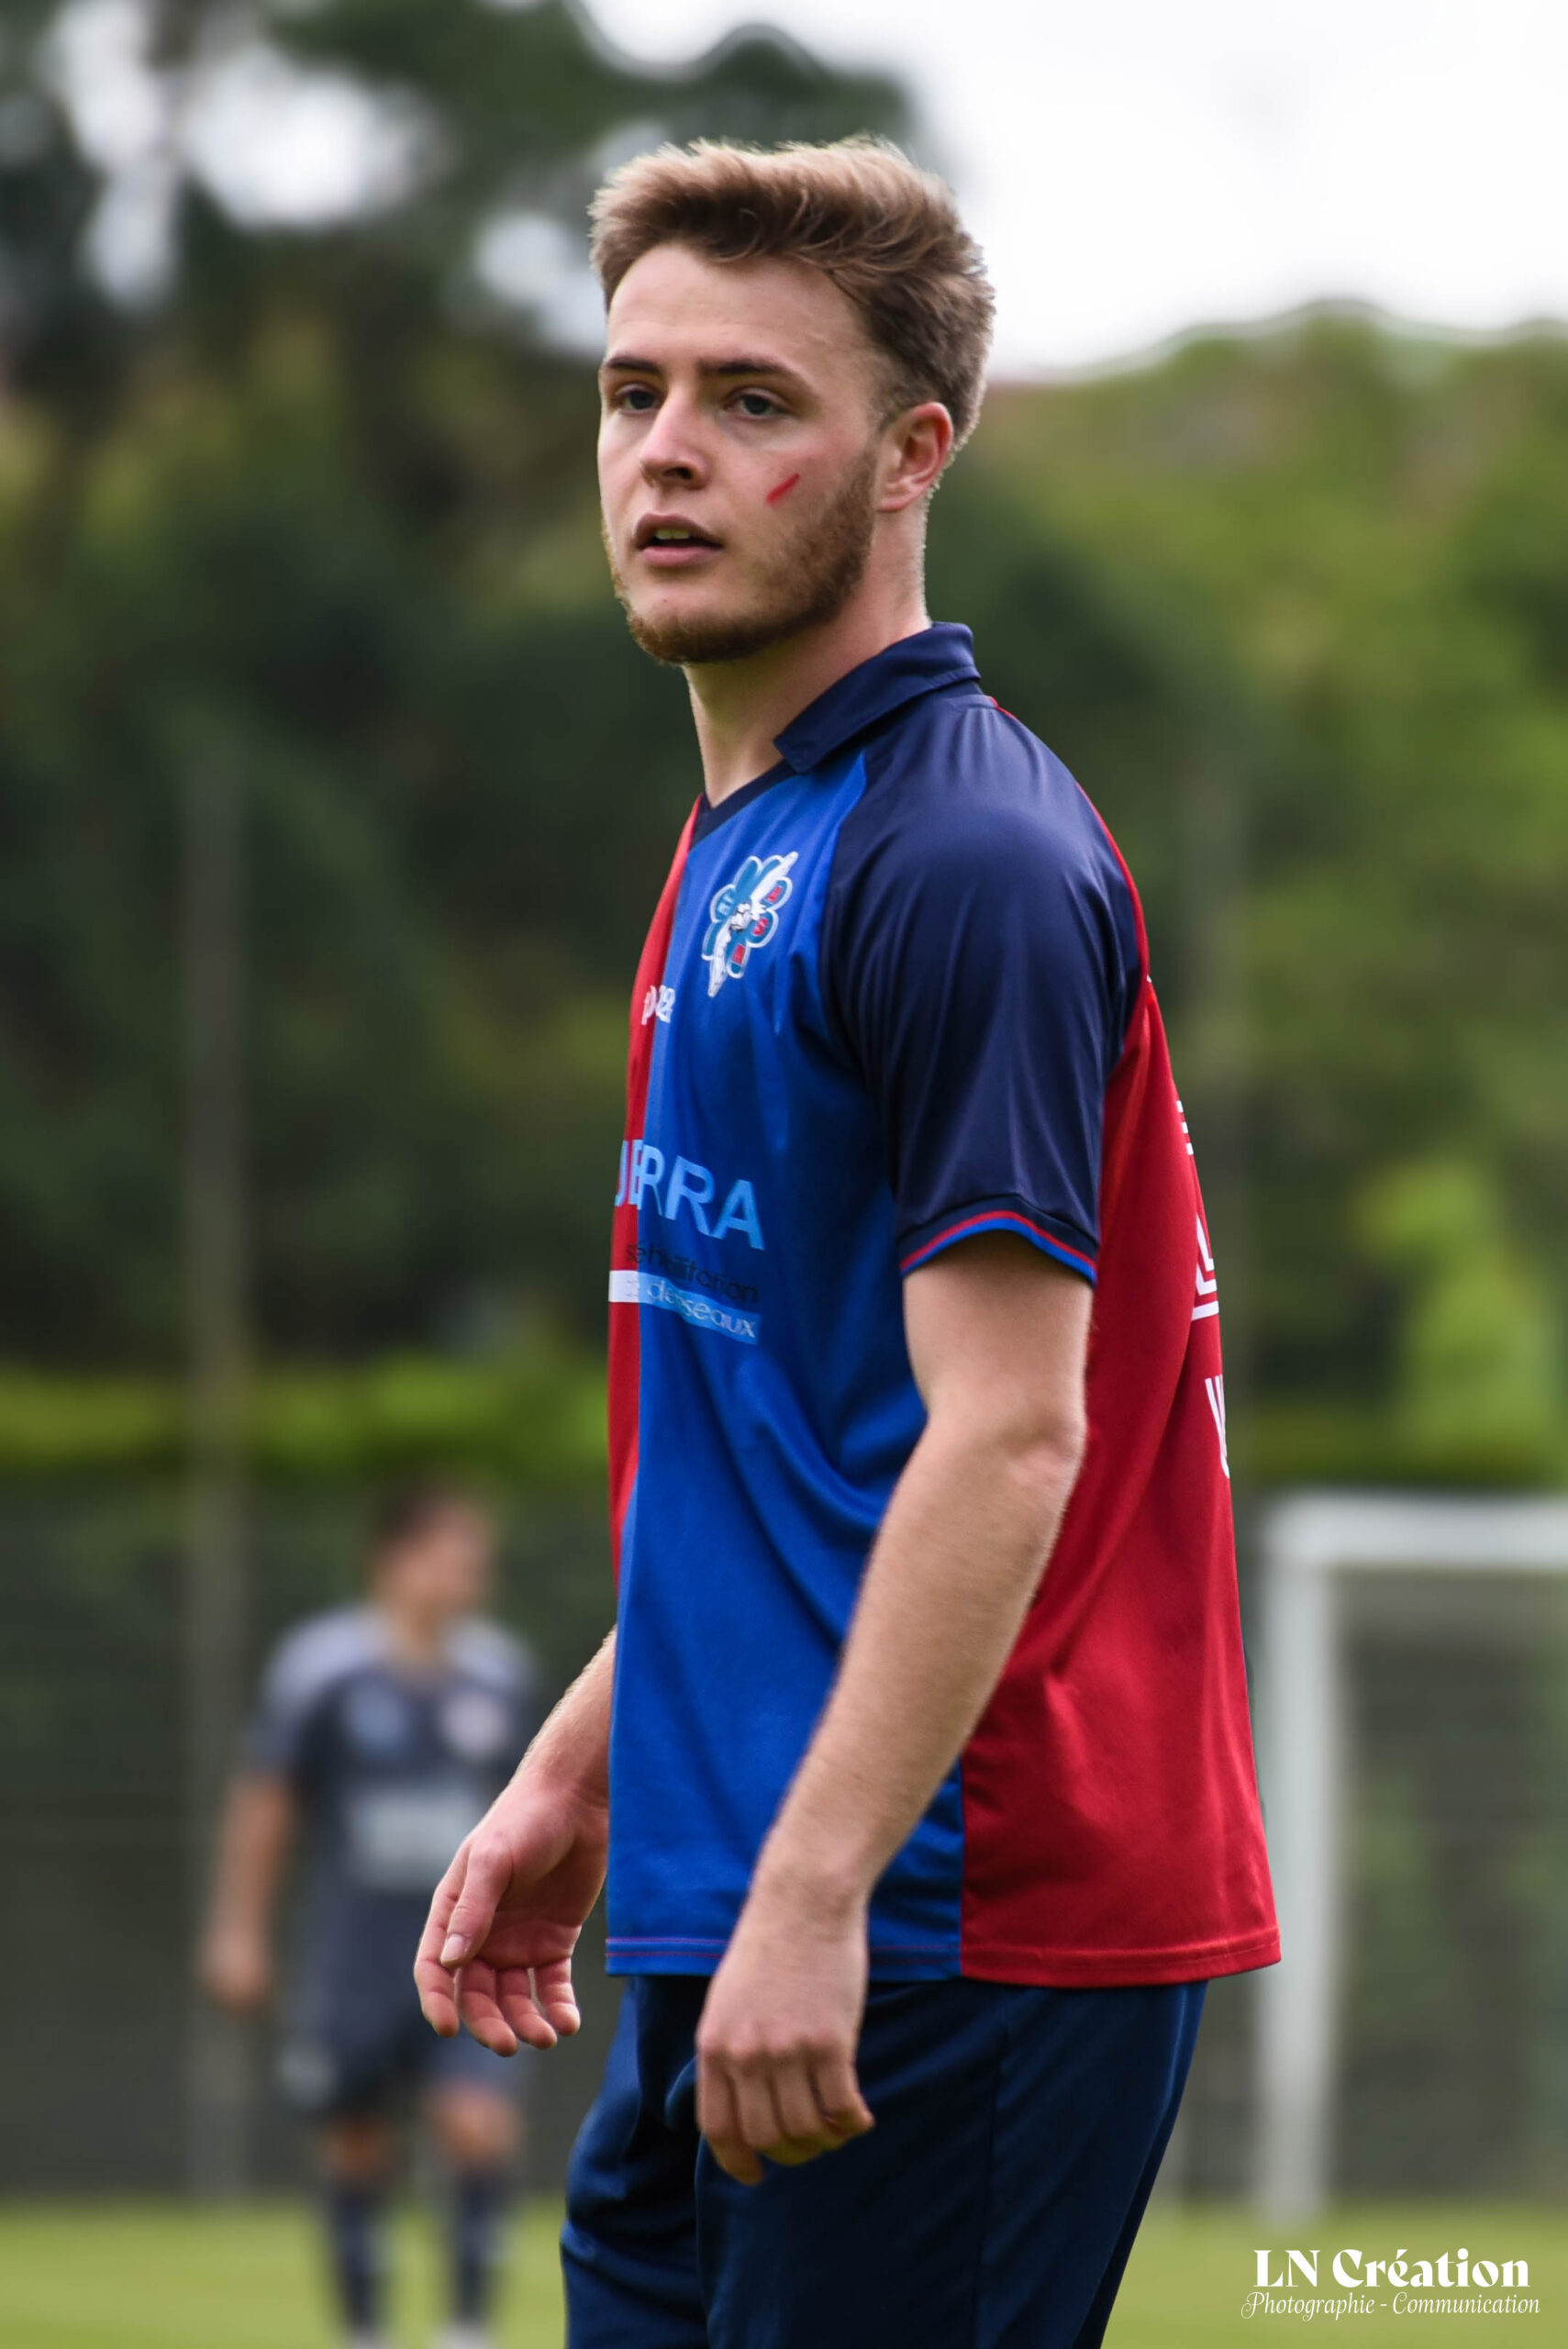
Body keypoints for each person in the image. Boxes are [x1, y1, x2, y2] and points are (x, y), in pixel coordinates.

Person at [414, 139, 1280, 2349]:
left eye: (751, 401)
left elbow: (1004, 1435)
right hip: (745, 1880)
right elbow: (803, 1451)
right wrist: (581, 1771)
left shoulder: (962, 858)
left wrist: (815, 1889)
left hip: (941, 1911)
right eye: (632, 392)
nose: (666, 450)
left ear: (911, 454)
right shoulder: (742, 840)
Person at [200, 1485, 544, 2349]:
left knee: (476, 2125)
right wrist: (238, 1931)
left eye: (476, 1560)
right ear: (393, 1561)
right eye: (451, 1556)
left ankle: (466, 2328)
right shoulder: (321, 1669)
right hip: (355, 1948)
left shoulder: (500, 1674)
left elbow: (538, 1807)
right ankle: (365, 2331)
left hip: (466, 1944)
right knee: (355, 2141)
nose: (470, 1575)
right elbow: (267, 1801)